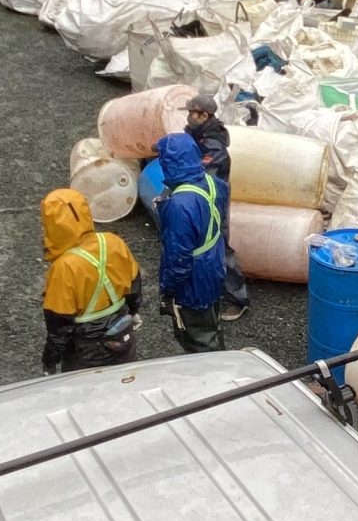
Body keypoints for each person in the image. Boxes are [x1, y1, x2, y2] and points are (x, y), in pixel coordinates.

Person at [39, 188, 141, 373]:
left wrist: (50, 361)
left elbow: (59, 327)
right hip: (122, 332)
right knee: (126, 383)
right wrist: (131, 313)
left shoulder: (64, 267)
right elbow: (134, 286)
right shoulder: (113, 242)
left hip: (87, 349)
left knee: (89, 395)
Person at [153, 133, 227, 352]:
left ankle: (212, 380)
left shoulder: (179, 205)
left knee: (197, 337)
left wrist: (168, 290)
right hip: (213, 265)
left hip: (193, 281)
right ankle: (220, 360)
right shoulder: (215, 184)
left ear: (167, 162)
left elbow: (178, 259)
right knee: (211, 323)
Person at [184, 93, 250, 322]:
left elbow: (204, 176)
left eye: (192, 113)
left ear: (204, 115)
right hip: (199, 199)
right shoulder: (196, 134)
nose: (189, 117)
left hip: (213, 201)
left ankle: (238, 300)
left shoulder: (213, 146)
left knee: (220, 246)